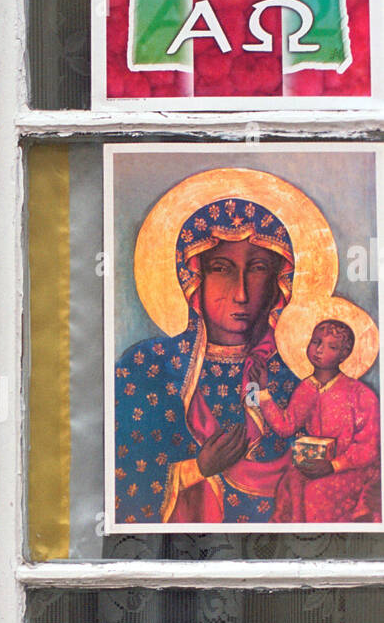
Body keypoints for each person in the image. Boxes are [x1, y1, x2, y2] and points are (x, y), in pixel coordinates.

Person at [115, 196, 300, 524]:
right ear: (192, 278)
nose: (241, 293)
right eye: (221, 269)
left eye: (257, 269)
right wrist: (196, 469)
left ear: (278, 283)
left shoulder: (289, 378)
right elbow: (120, 480)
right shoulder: (147, 368)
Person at [249, 319, 381, 522]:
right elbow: (286, 426)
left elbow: (369, 447)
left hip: (352, 470)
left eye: (331, 346)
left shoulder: (360, 394)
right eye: (316, 341)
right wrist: (263, 391)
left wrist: (333, 466)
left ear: (344, 354)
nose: (319, 350)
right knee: (291, 482)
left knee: (315, 492)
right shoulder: (306, 389)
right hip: (316, 465)